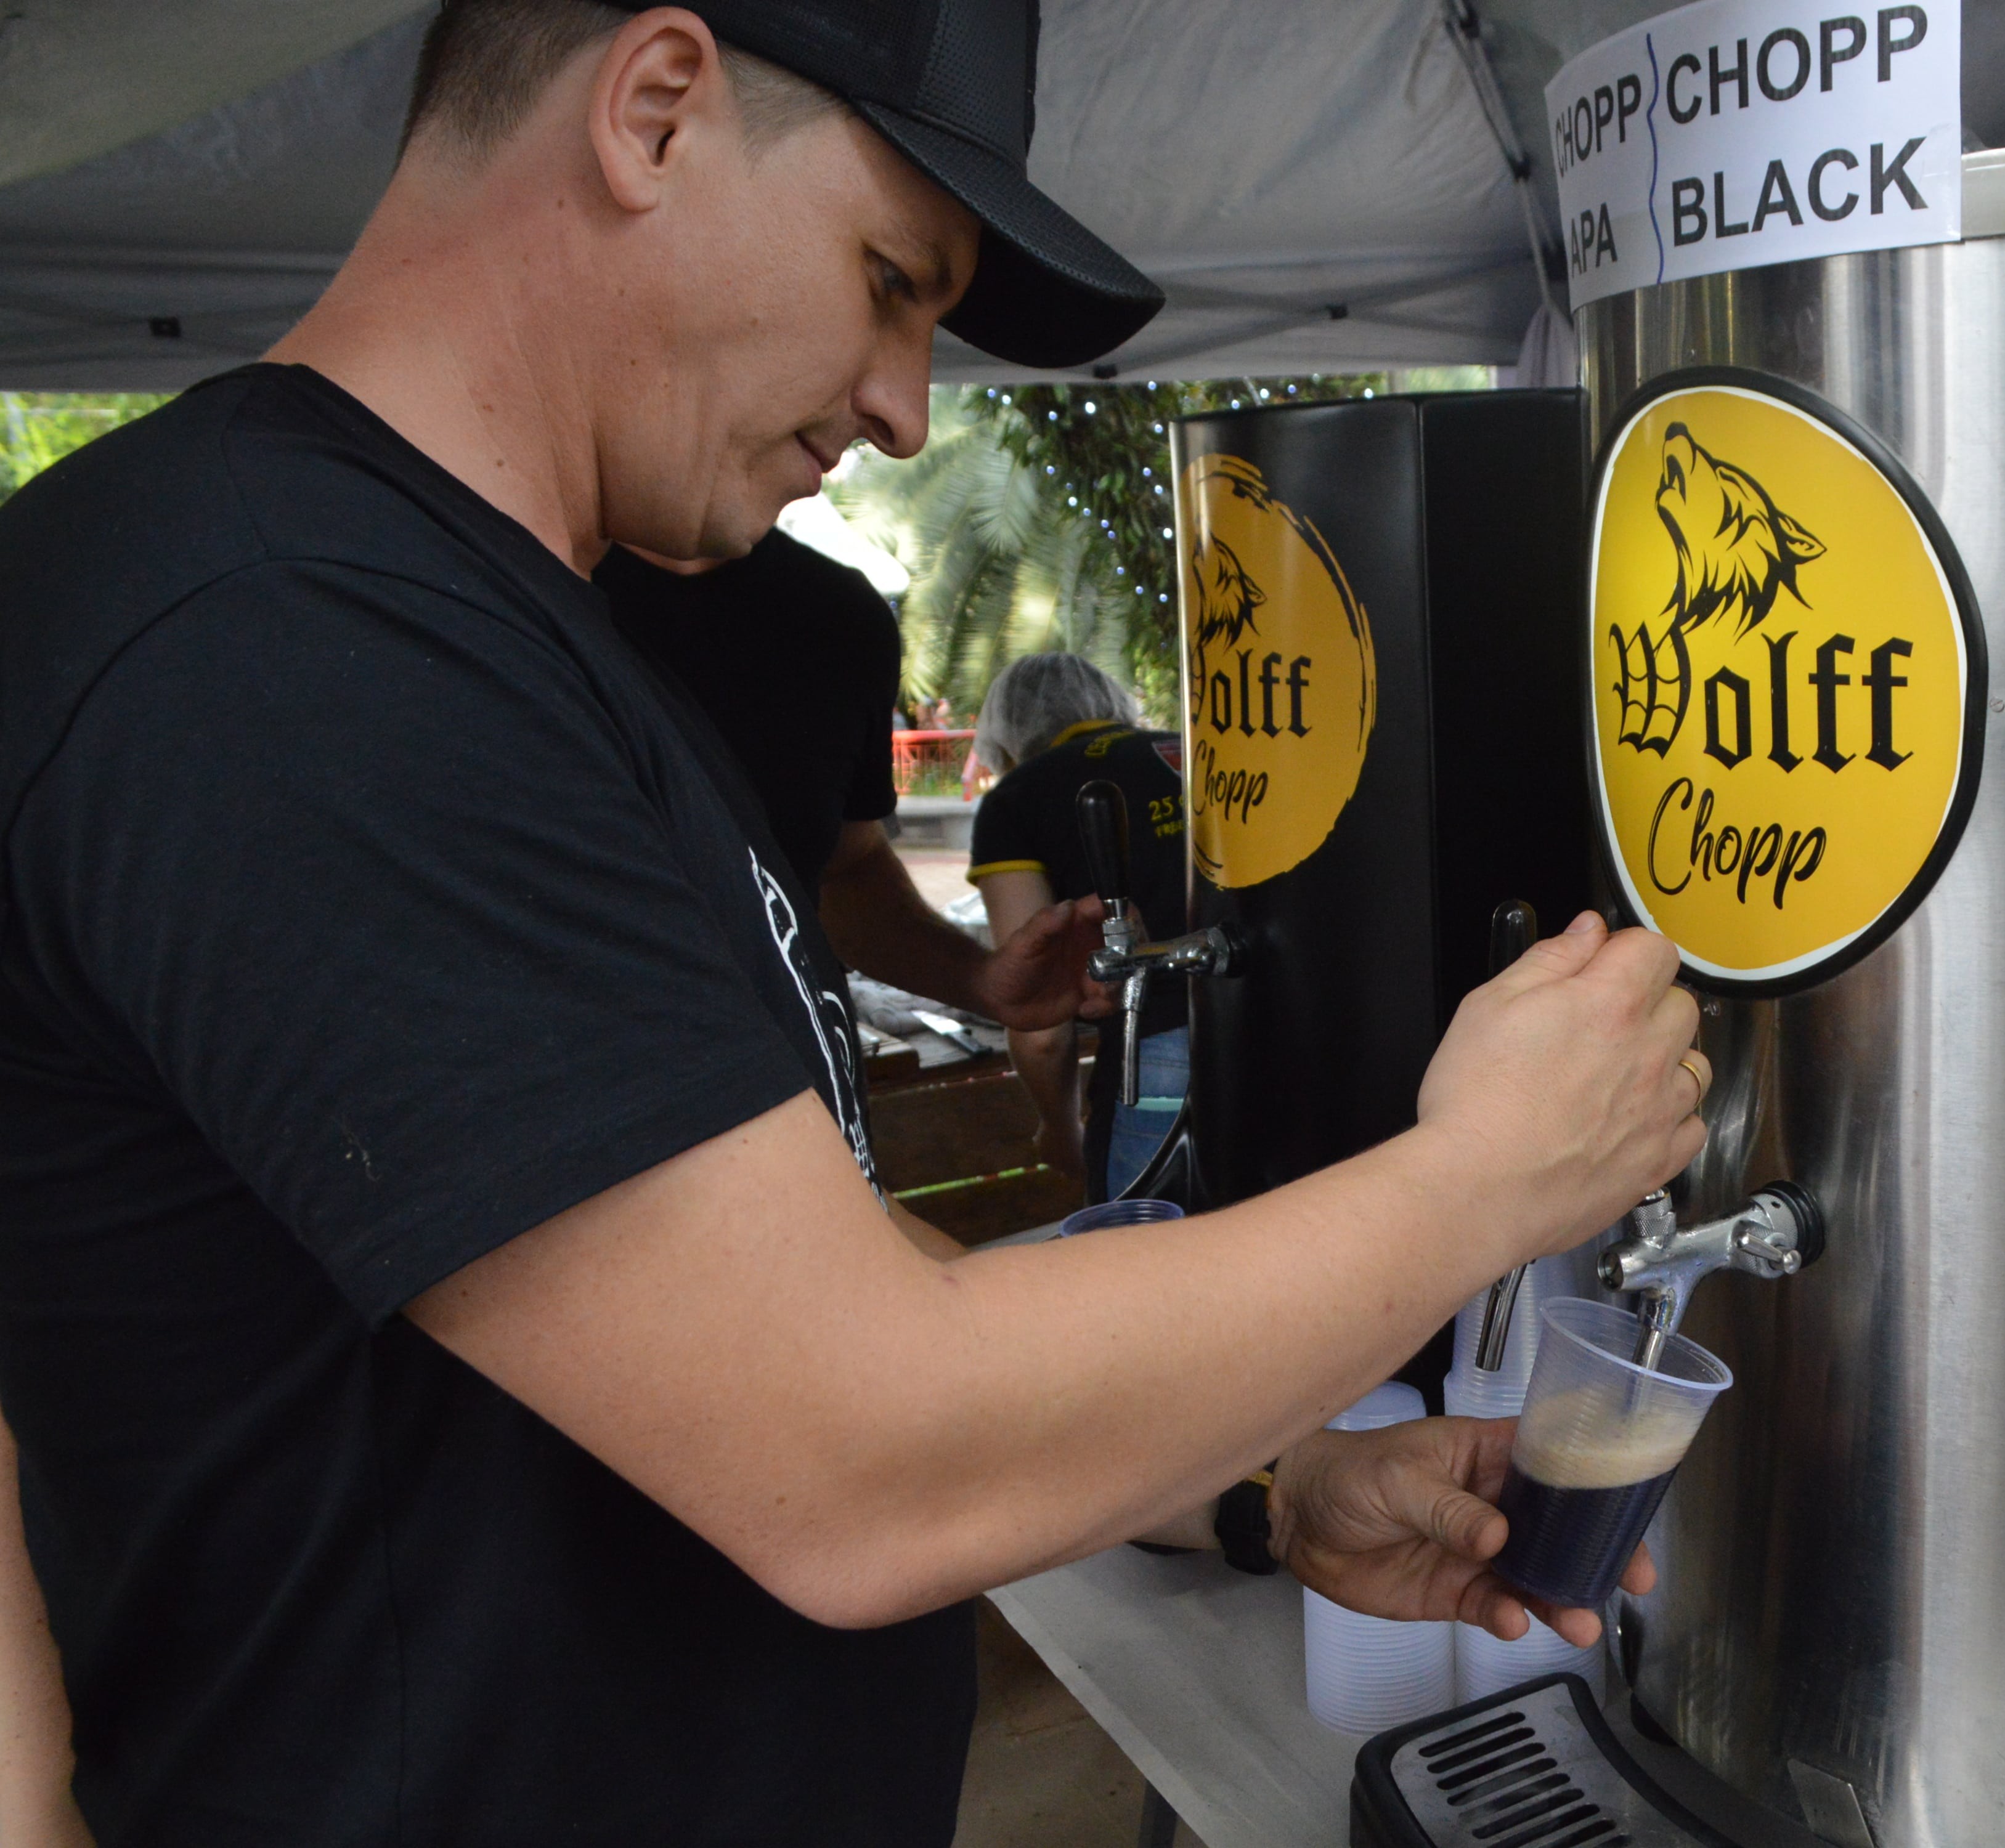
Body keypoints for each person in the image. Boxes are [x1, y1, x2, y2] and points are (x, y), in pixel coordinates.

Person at [0, 6, 1710, 1845]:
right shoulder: (289, 643)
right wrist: (1483, 1179)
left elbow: (794, 1276)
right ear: (654, 111)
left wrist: (1265, 1485)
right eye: (891, 282)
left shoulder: (502, 633)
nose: (907, 403)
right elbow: (853, 1454)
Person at [597, 531, 1096, 1031]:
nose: (901, 447)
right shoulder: (536, 604)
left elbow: (846, 867)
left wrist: (980, 980)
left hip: (798, 1069)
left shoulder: (837, 616)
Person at [967, 651, 1186, 1196]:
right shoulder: (1197, 751)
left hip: (1153, 1063)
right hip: (1281, 1035)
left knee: (1146, 1257)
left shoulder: (1016, 802)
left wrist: (1060, 1128)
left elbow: (1040, 1022)